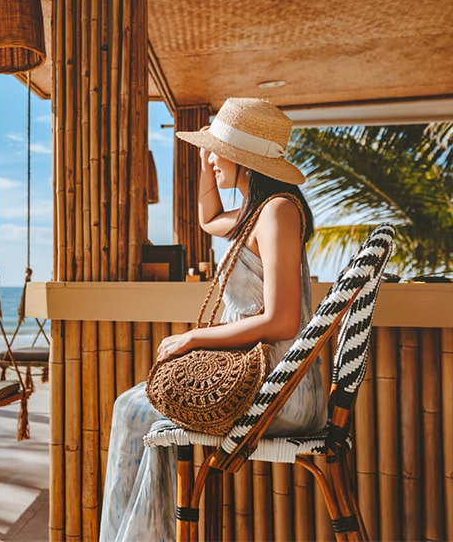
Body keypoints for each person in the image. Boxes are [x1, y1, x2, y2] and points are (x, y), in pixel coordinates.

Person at [99, 97, 327, 541]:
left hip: (281, 390)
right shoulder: (255, 212)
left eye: (217, 151)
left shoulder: (278, 211)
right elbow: (207, 219)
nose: (210, 157)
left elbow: (282, 321)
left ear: (243, 158)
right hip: (264, 378)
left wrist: (196, 338)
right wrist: (208, 159)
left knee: (132, 409)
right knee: (141, 409)